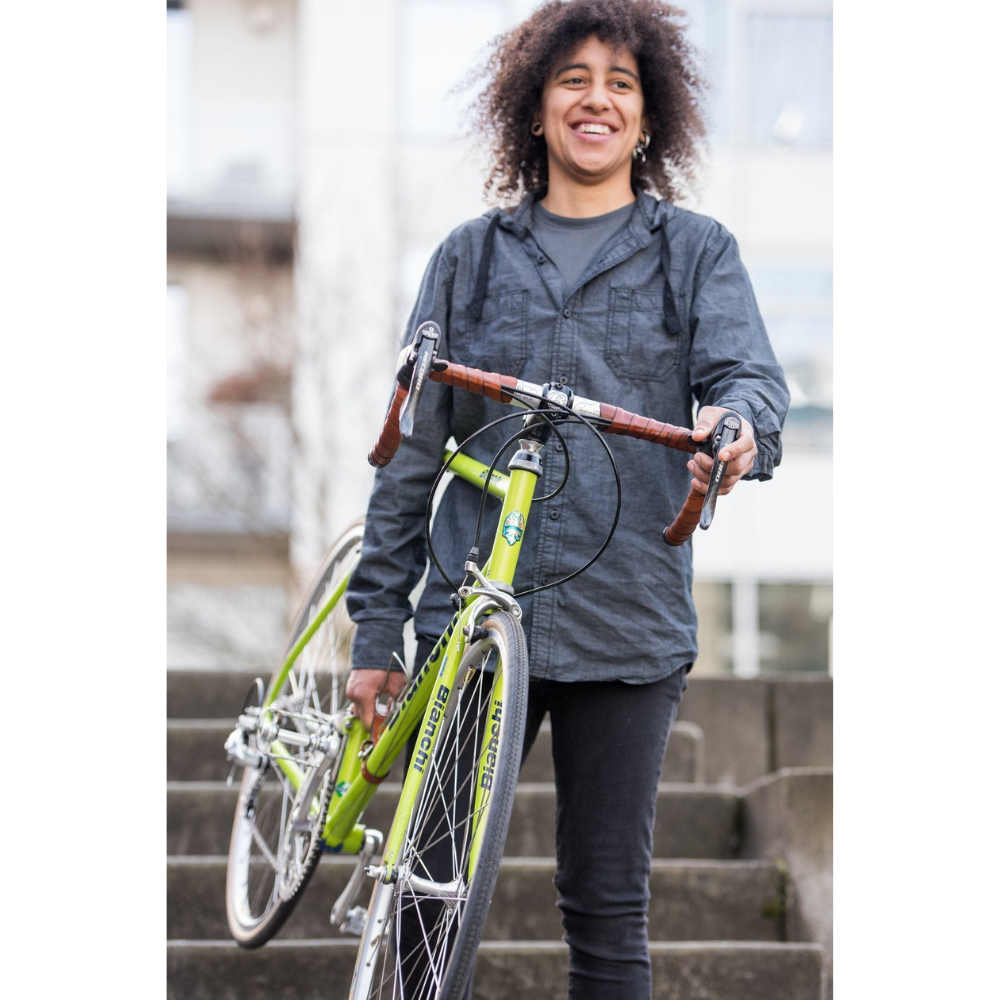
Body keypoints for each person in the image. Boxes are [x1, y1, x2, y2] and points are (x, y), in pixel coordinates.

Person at [345, 1, 790, 997]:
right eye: (573, 80)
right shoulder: (467, 257)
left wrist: (737, 431)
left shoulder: (697, 252)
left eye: (619, 84)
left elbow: (747, 379)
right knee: (426, 892)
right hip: (468, 614)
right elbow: (410, 458)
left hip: (625, 626)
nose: (596, 99)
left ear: (647, 116)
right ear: (536, 109)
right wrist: (375, 631)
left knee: (605, 905)